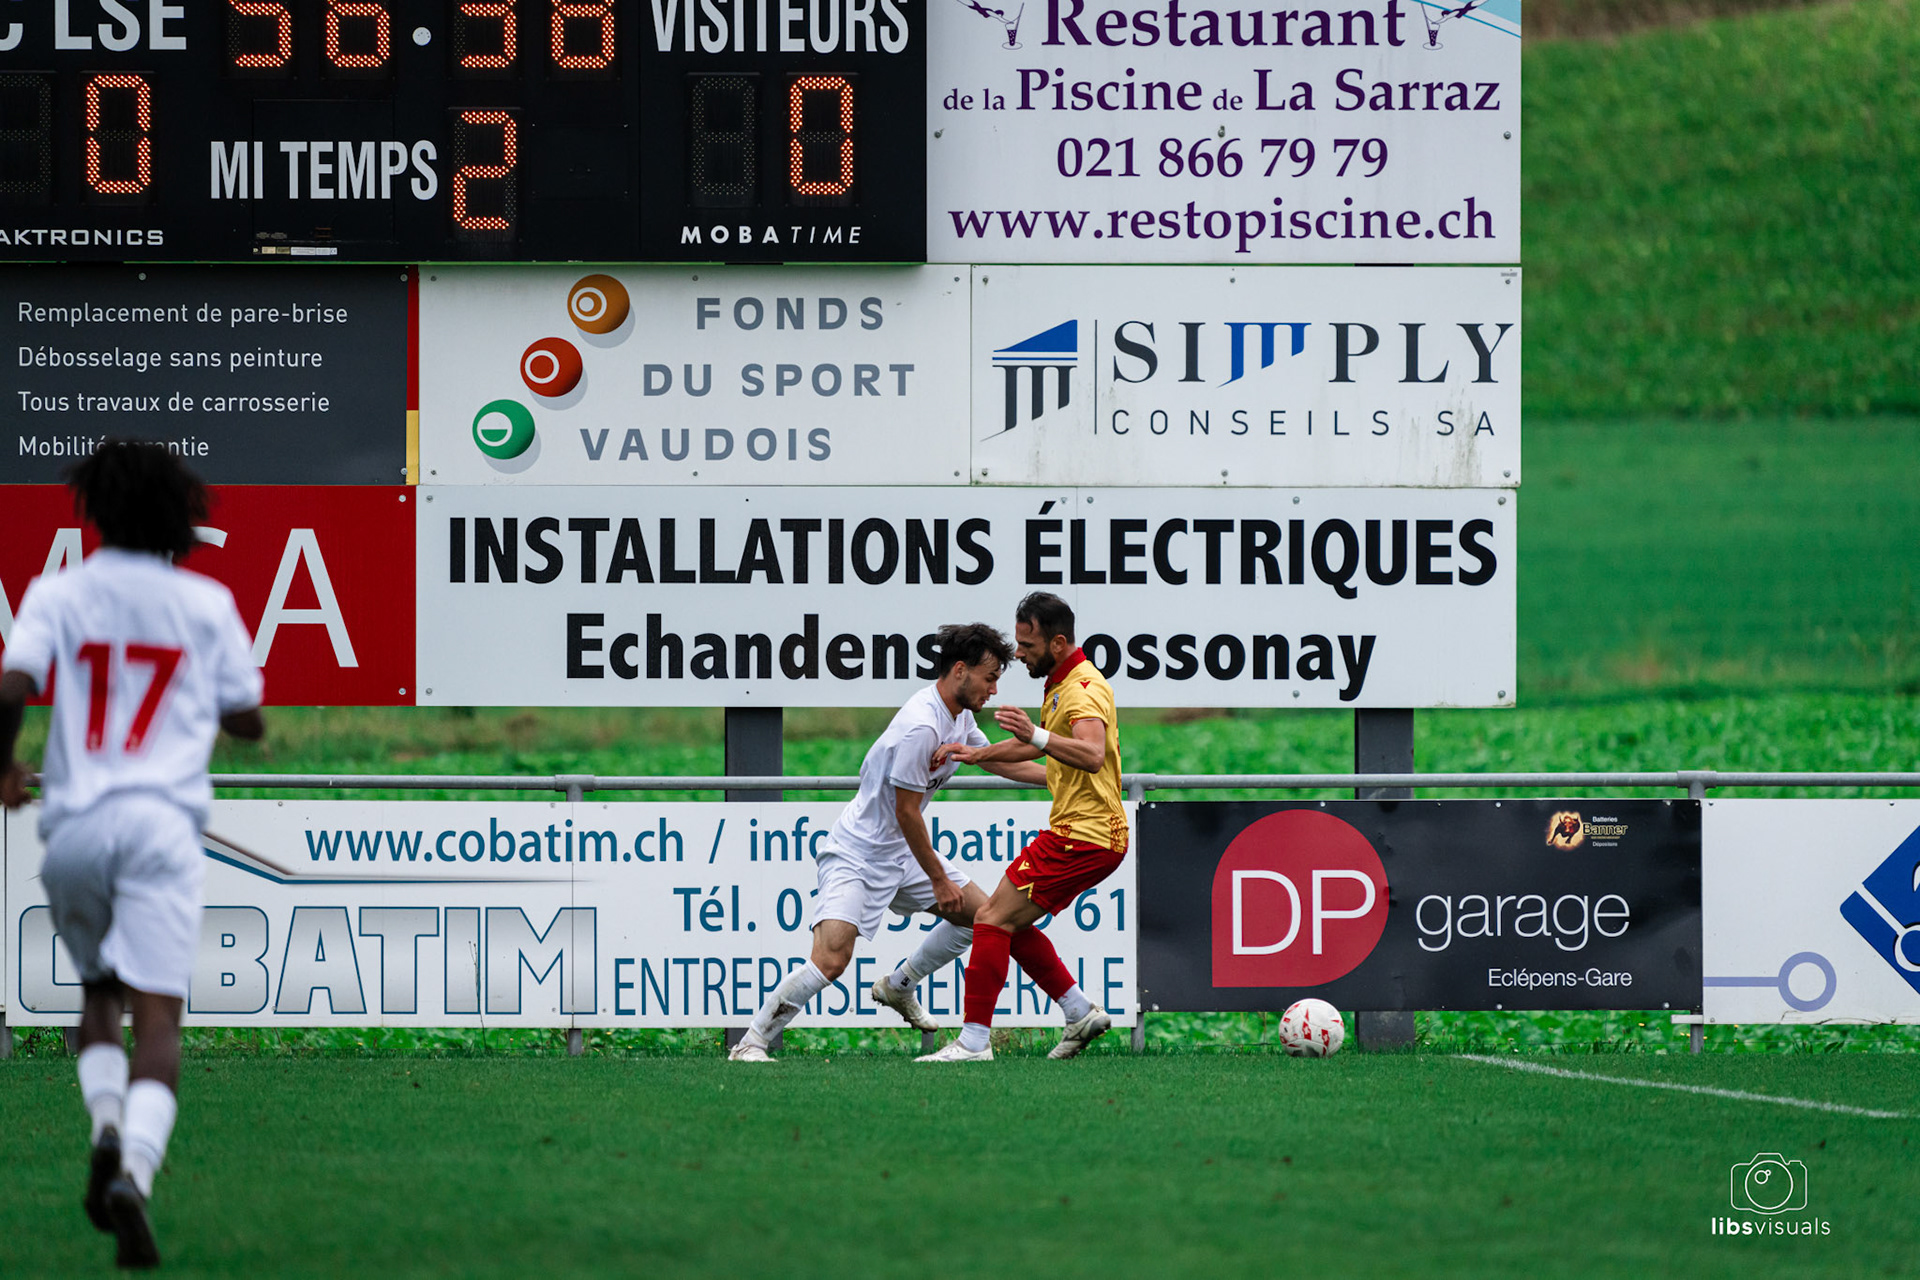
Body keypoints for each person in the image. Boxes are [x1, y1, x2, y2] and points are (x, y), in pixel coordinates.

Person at [0, 441, 265, 1270]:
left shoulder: (59, 591)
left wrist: (1, 767)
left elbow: (13, 685)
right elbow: (248, 718)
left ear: (96, 509)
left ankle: (104, 1125)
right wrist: (221, 714)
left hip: (73, 827)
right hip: (160, 827)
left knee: (96, 998)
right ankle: (136, 1174)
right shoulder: (207, 603)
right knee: (159, 1017)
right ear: (182, 517)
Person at [732, 621, 1100, 1061]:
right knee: (831, 959)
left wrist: (1066, 784)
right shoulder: (921, 726)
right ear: (960, 671)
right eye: (990, 678)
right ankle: (751, 1042)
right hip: (859, 854)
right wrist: (940, 881)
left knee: (989, 917)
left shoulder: (959, 715)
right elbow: (906, 812)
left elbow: (994, 763)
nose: (994, 690)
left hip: (902, 852)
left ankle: (901, 985)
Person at [917, 592, 1126, 1063]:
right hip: (1088, 835)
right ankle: (1078, 1011)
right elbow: (1038, 751)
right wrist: (977, 754)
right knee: (1003, 920)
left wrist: (1034, 733)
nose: (1019, 653)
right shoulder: (1062, 681)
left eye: (1027, 644)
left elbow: (1090, 754)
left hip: (1084, 835)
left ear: (1056, 642)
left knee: (990, 918)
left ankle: (973, 1042)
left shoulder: (1081, 689)